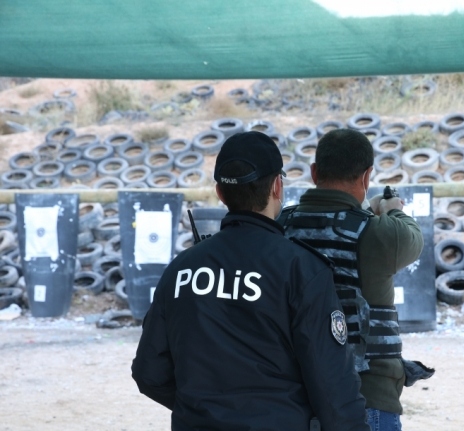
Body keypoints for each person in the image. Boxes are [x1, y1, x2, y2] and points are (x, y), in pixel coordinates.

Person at [132, 131, 370, 431]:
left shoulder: (180, 270)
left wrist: (205, 409)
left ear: (219, 192)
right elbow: (334, 390)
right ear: (277, 186)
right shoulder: (302, 269)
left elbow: (149, 373)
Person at [278, 128, 425, 431]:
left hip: (293, 401)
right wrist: (390, 208)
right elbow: (412, 237)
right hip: (368, 397)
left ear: (314, 172)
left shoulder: (279, 228)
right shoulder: (380, 232)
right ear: (367, 176)